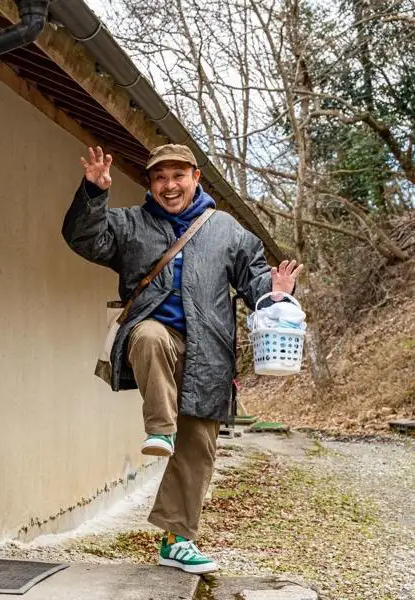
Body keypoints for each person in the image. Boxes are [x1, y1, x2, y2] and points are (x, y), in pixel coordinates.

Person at [62, 144, 303, 574]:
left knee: (197, 452)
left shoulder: (226, 230)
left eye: (177, 176)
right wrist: (93, 192)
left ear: (196, 178)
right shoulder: (132, 223)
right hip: (157, 338)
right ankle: (160, 429)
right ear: (150, 184)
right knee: (151, 336)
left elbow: (255, 283)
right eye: (159, 178)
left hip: (209, 354)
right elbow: (84, 238)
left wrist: (277, 292)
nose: (168, 185)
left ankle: (177, 541)